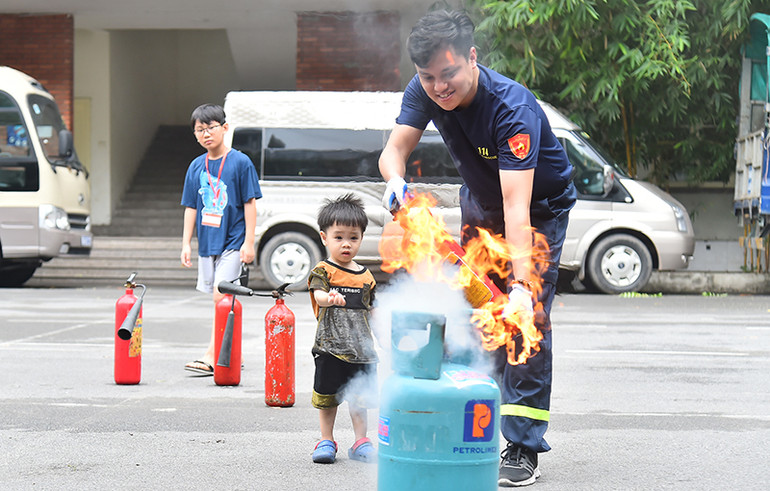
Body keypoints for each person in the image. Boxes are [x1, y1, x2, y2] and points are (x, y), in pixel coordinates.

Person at [379, 10, 576, 487]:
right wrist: (394, 182)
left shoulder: (512, 108)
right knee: (474, 311)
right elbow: (393, 151)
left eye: (448, 75)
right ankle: (475, 423)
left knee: (519, 322)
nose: (439, 88)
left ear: (472, 57)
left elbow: (517, 209)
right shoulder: (421, 88)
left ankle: (523, 446)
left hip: (536, 212)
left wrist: (524, 285)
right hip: (480, 205)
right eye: (428, 78)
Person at [180, 103, 261, 376]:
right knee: (222, 301)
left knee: (221, 296)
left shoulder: (240, 162)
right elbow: (191, 207)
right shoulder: (195, 166)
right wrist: (185, 244)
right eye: (200, 130)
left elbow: (250, 204)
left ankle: (211, 355)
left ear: (225, 128)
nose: (206, 134)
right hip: (207, 242)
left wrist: (249, 242)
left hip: (233, 240)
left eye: (211, 127)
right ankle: (230, 354)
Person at [307, 193, 378, 464]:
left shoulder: (367, 276)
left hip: (363, 352)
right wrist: (331, 297)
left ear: (361, 238)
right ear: (324, 237)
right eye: (338, 237)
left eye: (353, 237)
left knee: (360, 398)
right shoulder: (323, 271)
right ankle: (326, 440)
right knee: (328, 398)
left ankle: (361, 440)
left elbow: (374, 310)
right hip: (330, 348)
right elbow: (319, 296)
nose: (346, 244)